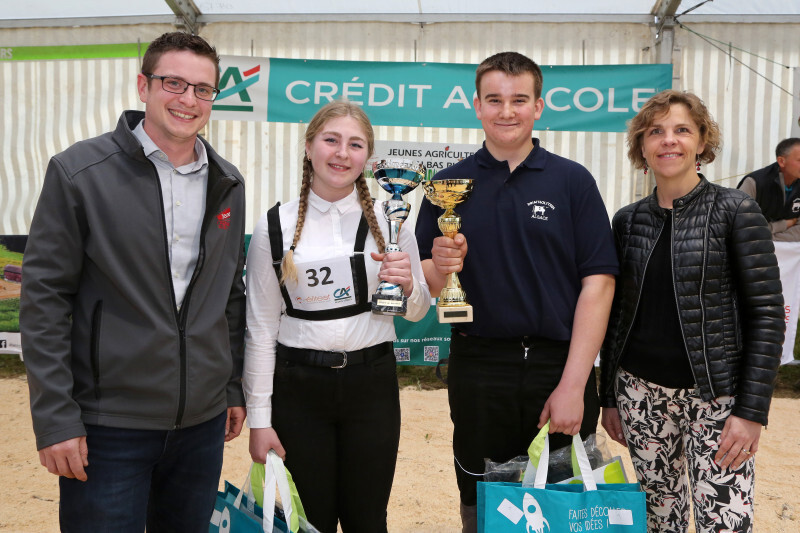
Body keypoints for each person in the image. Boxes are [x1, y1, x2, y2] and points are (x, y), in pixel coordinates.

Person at [20, 32, 247, 532]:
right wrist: (55, 417)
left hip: (201, 427)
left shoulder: (228, 181)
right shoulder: (79, 173)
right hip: (109, 425)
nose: (188, 100)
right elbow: (44, 300)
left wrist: (230, 388)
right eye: (174, 83)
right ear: (144, 86)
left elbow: (229, 294)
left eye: (203, 89)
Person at [414, 51, 618, 532]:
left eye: (519, 99)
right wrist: (440, 264)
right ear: (477, 106)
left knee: (566, 506)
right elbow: (427, 281)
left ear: (538, 106)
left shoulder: (573, 181)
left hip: (558, 366)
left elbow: (599, 283)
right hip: (479, 366)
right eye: (495, 100)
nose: (507, 111)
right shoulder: (447, 184)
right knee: (484, 503)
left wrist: (574, 385)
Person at [600, 90, 784, 532]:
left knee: (725, 523)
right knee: (659, 521)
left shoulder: (737, 211)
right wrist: (609, 398)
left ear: (702, 141)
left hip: (718, 400)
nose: (669, 140)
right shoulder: (627, 221)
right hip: (640, 396)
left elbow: (767, 315)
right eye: (655, 131)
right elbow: (616, 316)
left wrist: (751, 411)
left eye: (682, 129)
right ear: (642, 146)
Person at [243, 100, 431, 533]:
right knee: (311, 523)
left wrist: (408, 284)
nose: (342, 153)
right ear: (309, 146)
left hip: (372, 386)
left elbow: (419, 307)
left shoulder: (392, 221)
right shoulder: (274, 226)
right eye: (331, 140)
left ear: (368, 156)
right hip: (298, 389)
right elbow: (261, 329)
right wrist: (260, 419)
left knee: (369, 521)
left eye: (355, 144)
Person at [738, 138, 800, 364]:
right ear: (781, 161)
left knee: (782, 306)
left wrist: (768, 233)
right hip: (751, 257)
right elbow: (740, 223)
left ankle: (778, 352)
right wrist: (785, 225)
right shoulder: (755, 182)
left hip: (788, 259)